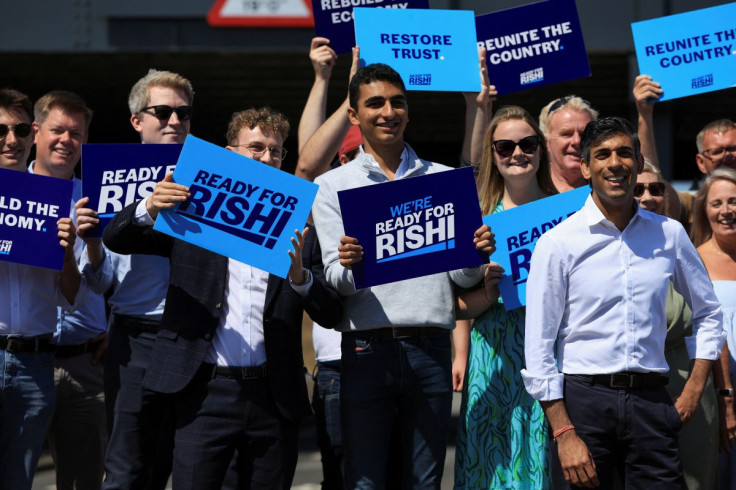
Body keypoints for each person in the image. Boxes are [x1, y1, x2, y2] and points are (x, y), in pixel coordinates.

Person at [103, 106, 343, 489]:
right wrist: (150, 206)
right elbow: (116, 237)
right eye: (256, 148)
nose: (267, 158)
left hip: (273, 397)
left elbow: (331, 312)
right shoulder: (191, 217)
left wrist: (300, 277)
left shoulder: (302, 230)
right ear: (230, 153)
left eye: (276, 151)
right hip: (203, 394)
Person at [311, 63, 495, 489]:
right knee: (364, 482)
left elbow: (464, 278)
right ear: (354, 115)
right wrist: (351, 266)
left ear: (408, 112)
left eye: (397, 103)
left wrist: (474, 253)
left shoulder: (445, 180)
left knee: (424, 482)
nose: (387, 112)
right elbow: (336, 280)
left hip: (430, 350)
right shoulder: (331, 186)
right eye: (374, 103)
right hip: (364, 350)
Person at [522, 116, 724, 488]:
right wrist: (564, 433)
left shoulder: (670, 234)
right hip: (584, 405)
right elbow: (537, 349)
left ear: (638, 161)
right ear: (585, 166)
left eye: (624, 153)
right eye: (602, 154)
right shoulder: (557, 243)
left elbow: (709, 313)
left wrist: (695, 388)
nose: (615, 163)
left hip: (652, 402)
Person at [98, 69, 194, 490]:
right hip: (134, 340)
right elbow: (101, 268)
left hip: (196, 337)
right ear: (137, 119)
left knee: (188, 466)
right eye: (163, 112)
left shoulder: (212, 176)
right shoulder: (105, 176)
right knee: (126, 471)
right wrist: (148, 206)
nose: (174, 121)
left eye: (183, 113)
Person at [453, 105, 557, 489]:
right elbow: (452, 307)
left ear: (541, 149)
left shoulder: (568, 215)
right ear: (492, 155)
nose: (518, 153)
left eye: (528, 143)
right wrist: (489, 292)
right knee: (489, 468)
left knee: (541, 464)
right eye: (505, 146)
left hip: (548, 358)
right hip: (491, 360)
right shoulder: (476, 220)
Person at [0, 88, 86, 490]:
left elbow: (70, 294)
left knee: (18, 480)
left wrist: (66, 253)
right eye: (1, 131)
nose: (11, 140)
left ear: (31, 134)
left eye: (19, 130)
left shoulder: (55, 202)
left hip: (34, 365)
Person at [29, 90, 111, 490]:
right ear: (35, 132)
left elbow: (122, 276)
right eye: (57, 130)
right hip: (23, 359)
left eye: (75, 133)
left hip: (85, 362)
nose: (66, 140)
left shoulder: (101, 197)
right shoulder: (5, 191)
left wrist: (123, 330)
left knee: (82, 482)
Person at [633, 161, 723, 490]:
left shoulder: (679, 239)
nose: (647, 196)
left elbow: (711, 319)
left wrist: (713, 393)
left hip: (690, 384)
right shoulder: (610, 249)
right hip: (634, 391)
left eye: (656, 189)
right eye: (637, 189)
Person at [691, 167, 736, 489]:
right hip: (720, 385)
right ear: (704, 210)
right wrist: (726, 396)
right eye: (717, 203)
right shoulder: (694, 259)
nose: (726, 211)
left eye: (734, 201)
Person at [538, 95, 598, 192]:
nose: (577, 141)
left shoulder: (607, 190)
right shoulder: (529, 193)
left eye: (584, 134)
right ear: (546, 143)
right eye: (566, 134)